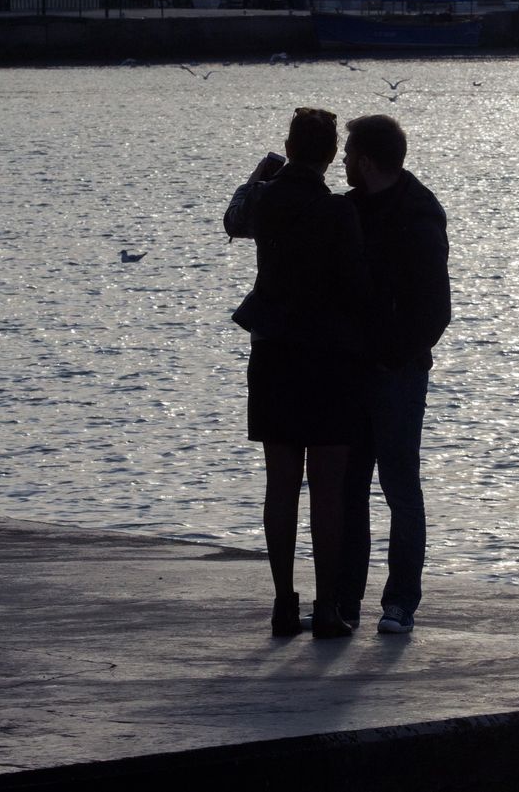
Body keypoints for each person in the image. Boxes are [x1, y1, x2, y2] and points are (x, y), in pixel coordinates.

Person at [223, 107, 372, 640]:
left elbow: (231, 222)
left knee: (280, 484)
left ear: (288, 147)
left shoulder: (266, 201)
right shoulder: (338, 213)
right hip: (330, 359)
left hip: (275, 354)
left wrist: (257, 178)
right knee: (327, 488)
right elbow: (356, 288)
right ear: (332, 154)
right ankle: (327, 605)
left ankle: (283, 601)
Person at [335, 114, 451, 635]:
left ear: (364, 160)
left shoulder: (419, 214)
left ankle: (401, 601)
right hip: (352, 368)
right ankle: (345, 599)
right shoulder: (351, 208)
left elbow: (435, 311)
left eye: (348, 153)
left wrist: (392, 355)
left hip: (396, 372)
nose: (342, 161)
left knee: (400, 486)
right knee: (349, 485)